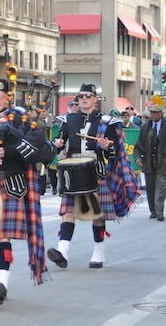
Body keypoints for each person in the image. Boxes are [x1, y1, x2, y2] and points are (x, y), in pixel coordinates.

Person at [48, 84, 138, 269]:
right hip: (72, 172)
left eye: (88, 96)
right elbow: (60, 143)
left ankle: (99, 252)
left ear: (95, 99)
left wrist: (107, 147)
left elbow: (115, 152)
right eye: (81, 96)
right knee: (68, 212)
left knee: (98, 214)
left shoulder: (108, 122)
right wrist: (57, 144)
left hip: (95, 171)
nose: (84, 99)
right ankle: (62, 252)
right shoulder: (68, 120)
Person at [0, 80, 49, 305]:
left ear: (7, 97)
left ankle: (1, 282)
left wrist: (7, 153)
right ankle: (0, 280)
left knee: (1, 234)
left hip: (10, 183)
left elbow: (41, 150)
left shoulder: (20, 119)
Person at [134, 104, 164, 220]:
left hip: (163, 163)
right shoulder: (145, 127)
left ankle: (159, 212)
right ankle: (153, 210)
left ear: (161, 113)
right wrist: (138, 158)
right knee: (150, 187)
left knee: (161, 187)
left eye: (156, 112)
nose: (153, 115)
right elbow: (138, 146)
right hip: (149, 163)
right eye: (151, 112)